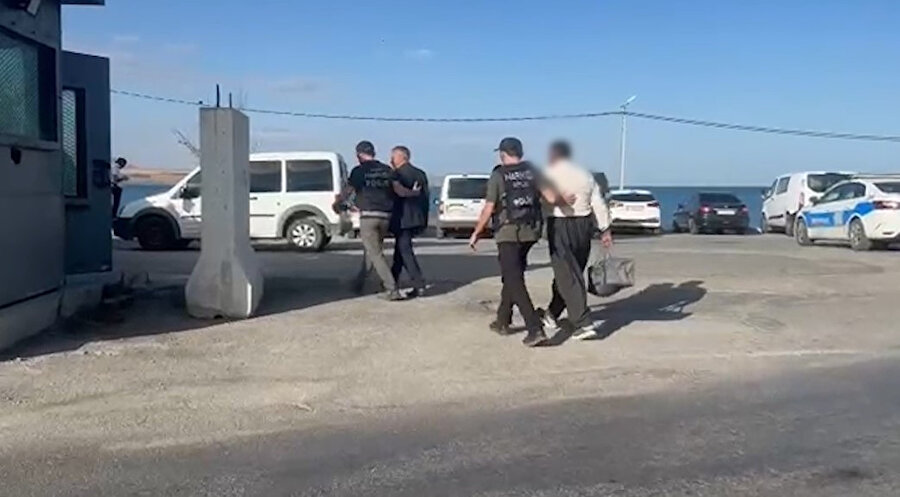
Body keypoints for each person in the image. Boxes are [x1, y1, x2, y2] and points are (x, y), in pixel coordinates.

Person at [469, 137, 573, 347]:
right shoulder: (533, 171)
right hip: (530, 232)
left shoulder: (498, 175)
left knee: (514, 279)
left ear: (502, 154)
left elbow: (489, 207)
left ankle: (535, 328)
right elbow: (550, 197)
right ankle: (502, 320)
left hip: (507, 233)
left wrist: (477, 232)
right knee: (513, 275)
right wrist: (565, 201)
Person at [538, 140, 612, 341]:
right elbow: (598, 202)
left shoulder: (548, 174)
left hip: (560, 224)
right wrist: (605, 229)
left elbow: (545, 199)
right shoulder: (585, 175)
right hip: (584, 226)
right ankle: (552, 314)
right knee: (570, 273)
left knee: (568, 276)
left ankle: (583, 323)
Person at [337, 141, 420, 301]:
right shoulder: (387, 170)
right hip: (385, 217)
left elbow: (347, 191)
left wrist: (338, 202)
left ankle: (391, 289)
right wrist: (414, 193)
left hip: (368, 216)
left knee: (375, 253)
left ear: (359, 155)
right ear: (373, 153)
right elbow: (400, 191)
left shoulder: (358, 171)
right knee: (372, 251)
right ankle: (358, 284)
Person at [389, 145, 429, 297]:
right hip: (416, 217)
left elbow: (395, 195)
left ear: (401, 157)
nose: (391, 159)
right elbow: (425, 198)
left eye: (393, 156)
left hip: (402, 217)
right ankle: (392, 280)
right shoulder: (420, 174)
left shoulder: (397, 175)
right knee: (400, 251)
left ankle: (419, 283)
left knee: (405, 251)